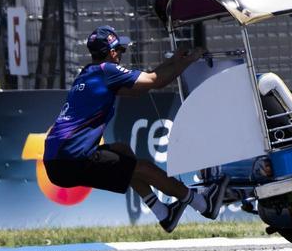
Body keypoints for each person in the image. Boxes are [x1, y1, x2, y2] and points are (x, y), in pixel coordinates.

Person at [43, 25, 228, 232]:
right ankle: (201, 203)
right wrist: (189, 59)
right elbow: (154, 80)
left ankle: (163, 213)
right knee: (142, 168)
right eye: (120, 50)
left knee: (123, 153)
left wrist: (174, 61)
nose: (122, 54)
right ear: (112, 52)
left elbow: (137, 90)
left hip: (54, 160)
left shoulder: (88, 73)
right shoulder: (108, 71)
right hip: (71, 158)